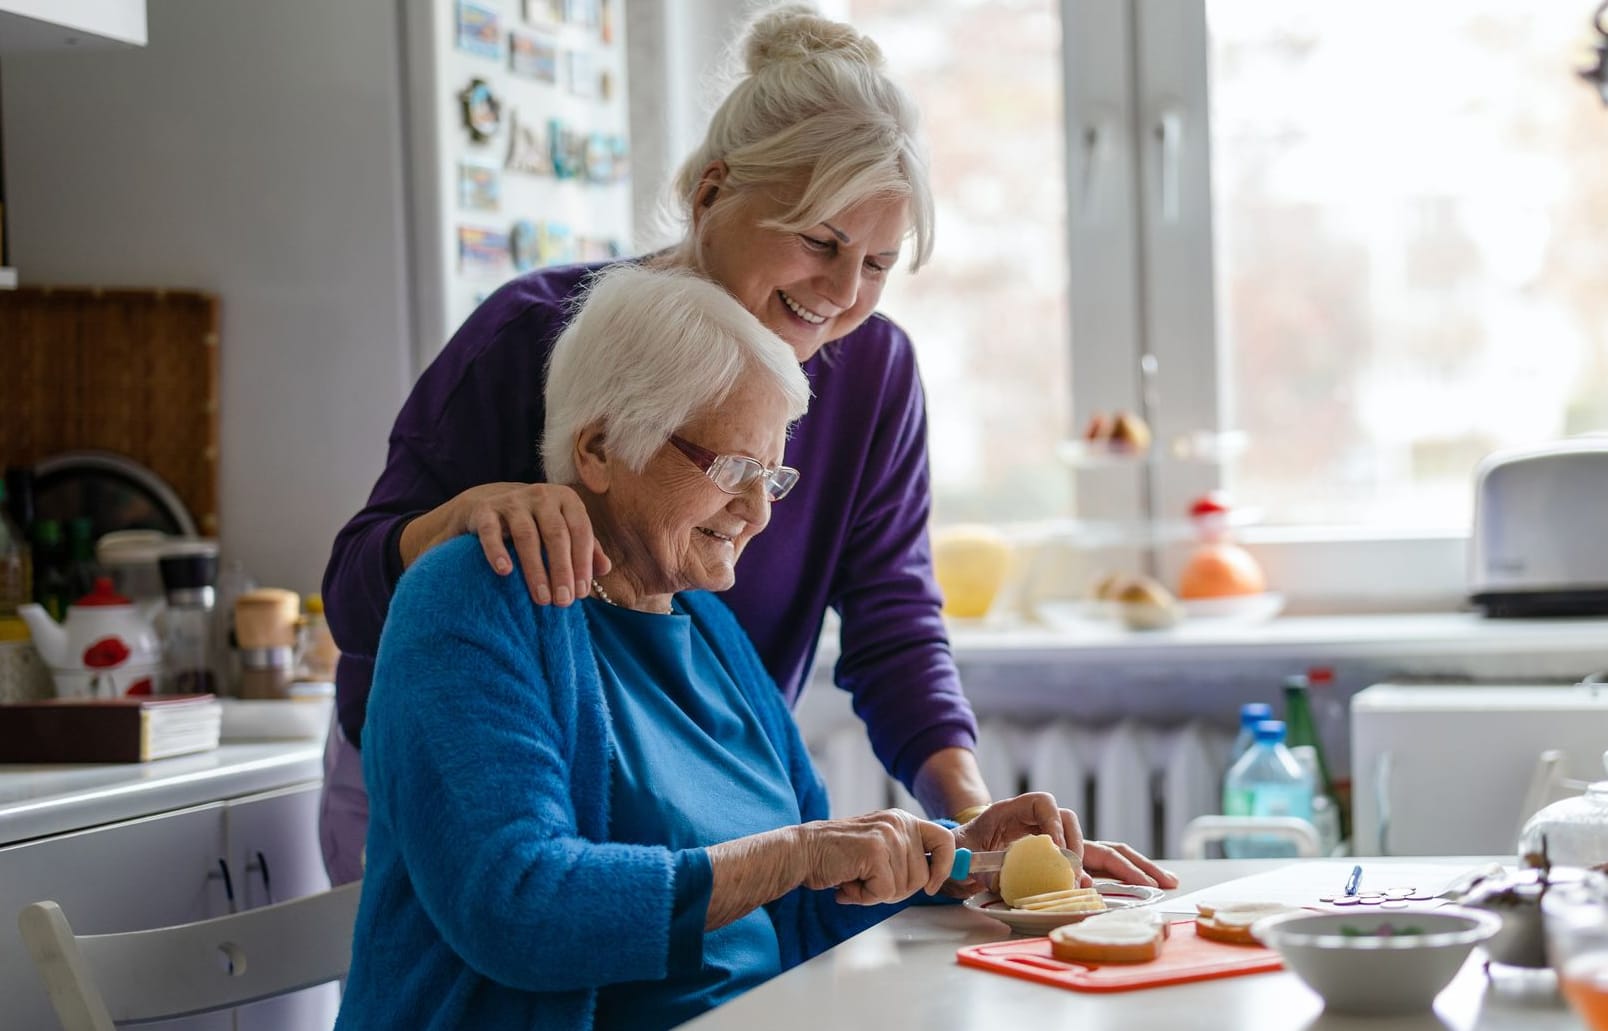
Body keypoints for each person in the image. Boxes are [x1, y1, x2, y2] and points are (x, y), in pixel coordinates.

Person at [318, 5, 1174, 891]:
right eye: (820, 241)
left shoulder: (872, 373)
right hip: (461, 798)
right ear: (710, 193)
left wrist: (967, 816)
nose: (844, 293)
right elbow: (352, 596)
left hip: (678, 812)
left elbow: (893, 621)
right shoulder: (533, 335)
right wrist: (459, 517)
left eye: (879, 263)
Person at [336, 266, 1092, 1031]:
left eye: (772, 474)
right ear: (598, 447)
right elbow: (520, 906)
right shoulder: (473, 598)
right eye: (732, 468)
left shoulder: (708, 629)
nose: (758, 511)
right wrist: (798, 851)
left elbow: (804, 906)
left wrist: (955, 863)